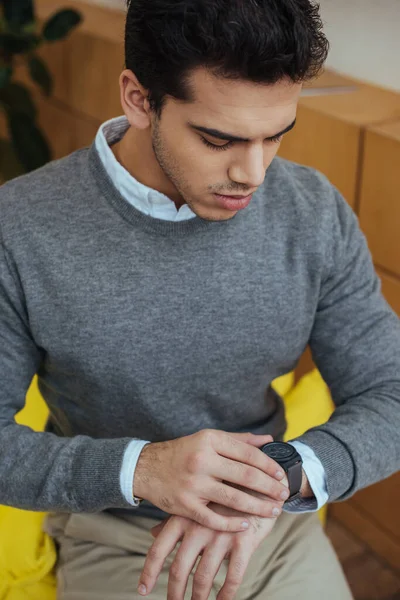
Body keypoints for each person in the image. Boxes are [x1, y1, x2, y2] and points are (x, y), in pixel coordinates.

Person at [0, 0, 399, 598]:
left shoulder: (312, 212)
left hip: (271, 522)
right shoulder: (20, 229)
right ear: (138, 98)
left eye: (276, 137)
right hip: (118, 531)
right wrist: (142, 468)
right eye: (219, 140)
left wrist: (283, 478)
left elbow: (390, 388)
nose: (254, 174)